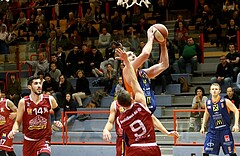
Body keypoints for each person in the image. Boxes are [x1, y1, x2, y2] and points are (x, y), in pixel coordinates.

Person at [103, 47, 179, 156]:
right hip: (139, 143)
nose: (133, 56)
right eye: (130, 55)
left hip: (134, 145)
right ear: (131, 97)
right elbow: (144, 56)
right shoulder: (141, 106)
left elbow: (164, 65)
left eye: (134, 54)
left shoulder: (121, 119)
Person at [8, 76, 63, 156]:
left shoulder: (49, 99)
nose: (39, 85)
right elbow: (18, 121)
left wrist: (58, 120)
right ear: (29, 87)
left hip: (44, 139)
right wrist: (14, 129)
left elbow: (57, 110)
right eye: (36, 83)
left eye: (40, 83)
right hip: (29, 141)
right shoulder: (23, 102)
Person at [200, 83, 239, 156]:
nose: (214, 91)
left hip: (224, 130)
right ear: (210, 91)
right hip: (212, 131)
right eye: (213, 89)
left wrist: (236, 124)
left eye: (216, 89)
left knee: (231, 152)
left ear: (219, 91)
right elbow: (206, 113)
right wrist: (203, 126)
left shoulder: (225, 101)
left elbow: (236, 111)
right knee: (205, 151)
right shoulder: (207, 102)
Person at [0, 90, 17, 156]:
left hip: (6, 131)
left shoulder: (7, 102)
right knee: (9, 150)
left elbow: (18, 110)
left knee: (1, 149)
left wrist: (16, 114)